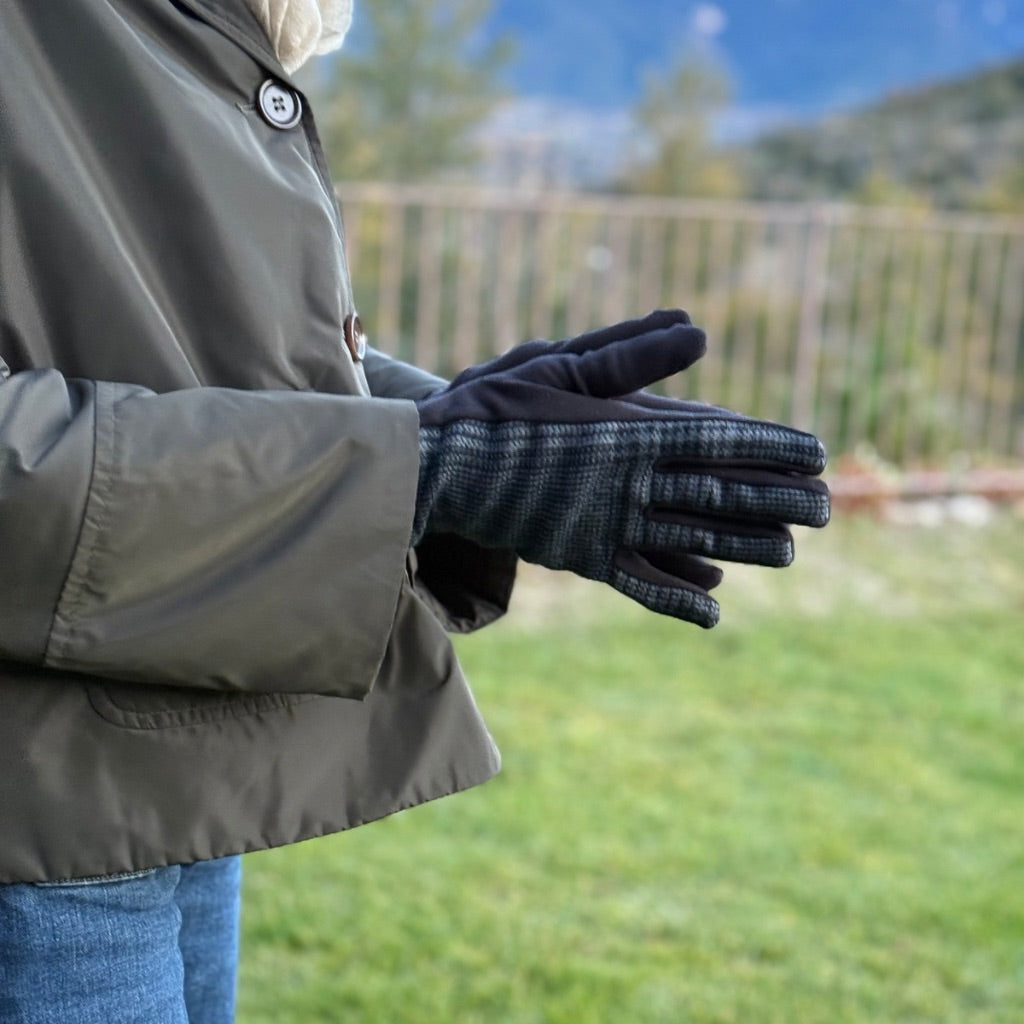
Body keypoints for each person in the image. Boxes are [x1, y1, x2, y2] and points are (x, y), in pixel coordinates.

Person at [0, 1, 829, 1021]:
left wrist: (452, 423)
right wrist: (418, 468)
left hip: (161, 774)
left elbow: (169, 334)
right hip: (35, 824)